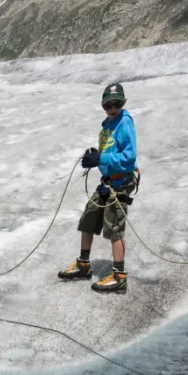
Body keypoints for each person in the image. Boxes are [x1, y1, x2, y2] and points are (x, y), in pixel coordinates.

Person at [61, 82, 137, 293]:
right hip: (108, 181)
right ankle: (84, 264)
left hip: (120, 183)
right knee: (89, 218)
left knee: (114, 228)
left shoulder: (125, 124)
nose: (112, 108)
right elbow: (111, 150)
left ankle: (119, 276)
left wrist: (101, 158)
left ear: (123, 103)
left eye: (116, 104)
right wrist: (97, 155)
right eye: (108, 105)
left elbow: (129, 158)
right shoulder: (108, 124)